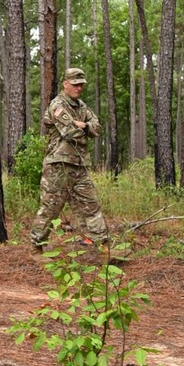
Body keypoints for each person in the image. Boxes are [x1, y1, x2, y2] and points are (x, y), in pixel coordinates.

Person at [29, 67, 111, 253]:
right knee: (51, 207)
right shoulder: (57, 105)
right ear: (65, 84)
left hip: (79, 164)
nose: (79, 88)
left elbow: (97, 128)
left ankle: (101, 246)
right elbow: (71, 133)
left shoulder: (82, 107)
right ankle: (36, 248)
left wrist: (83, 125)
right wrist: (84, 128)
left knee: (90, 205)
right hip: (59, 165)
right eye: (75, 84)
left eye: (81, 84)